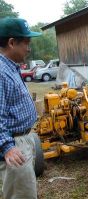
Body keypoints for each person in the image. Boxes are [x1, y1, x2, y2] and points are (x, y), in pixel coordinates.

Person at [0, 17, 42, 199]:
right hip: (14, 145)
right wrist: (7, 147)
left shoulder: (11, 68)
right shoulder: (1, 72)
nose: (29, 48)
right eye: (26, 42)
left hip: (24, 139)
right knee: (22, 195)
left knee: (26, 191)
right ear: (11, 42)